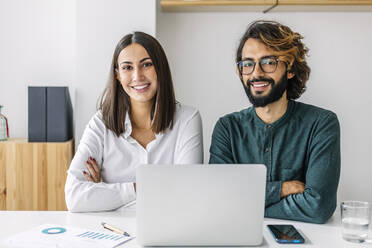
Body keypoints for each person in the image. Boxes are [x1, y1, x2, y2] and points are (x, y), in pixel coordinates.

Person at [209, 20, 340, 224]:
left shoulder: (321, 124)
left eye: (268, 62)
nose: (256, 73)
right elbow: (218, 198)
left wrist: (243, 201)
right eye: (248, 64)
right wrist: (284, 189)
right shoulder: (227, 128)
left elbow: (318, 207)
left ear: (290, 69)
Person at [65, 32, 203, 212]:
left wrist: (104, 191)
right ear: (118, 76)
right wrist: (141, 188)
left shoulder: (187, 120)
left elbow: (188, 194)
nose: (137, 76)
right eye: (127, 67)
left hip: (168, 235)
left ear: (160, 68)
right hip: (111, 234)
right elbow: (74, 197)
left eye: (146, 65)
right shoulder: (100, 123)